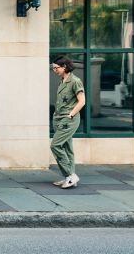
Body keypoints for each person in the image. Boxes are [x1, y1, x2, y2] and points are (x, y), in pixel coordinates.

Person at [50, 55, 85, 189]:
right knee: (67, 148)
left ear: (64, 67)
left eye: (56, 68)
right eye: (53, 68)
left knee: (55, 145)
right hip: (59, 119)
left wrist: (71, 114)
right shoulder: (62, 81)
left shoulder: (75, 81)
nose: (55, 70)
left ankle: (70, 175)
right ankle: (69, 178)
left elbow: (82, 101)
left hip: (68, 120)